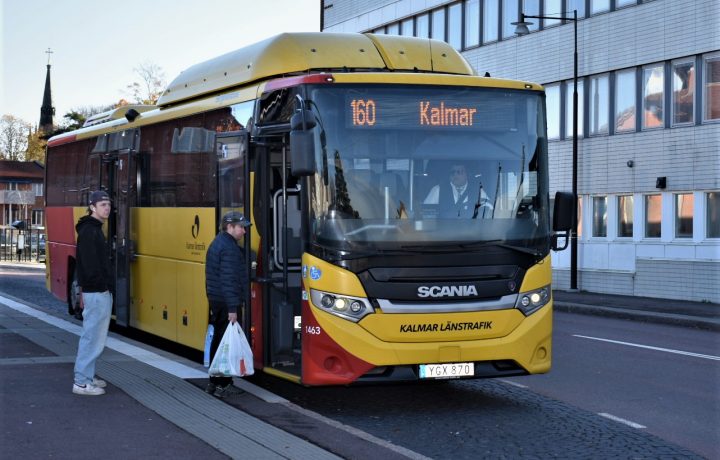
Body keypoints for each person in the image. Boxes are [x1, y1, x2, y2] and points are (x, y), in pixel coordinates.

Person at [205, 211, 250, 398]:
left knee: (219, 341)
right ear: (229, 227)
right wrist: (233, 308)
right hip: (226, 302)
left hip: (217, 299)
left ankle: (214, 382)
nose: (244, 232)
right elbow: (229, 280)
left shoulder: (219, 243)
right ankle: (223, 383)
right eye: (241, 227)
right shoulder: (229, 248)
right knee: (226, 344)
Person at [72, 190, 113, 396]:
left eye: (108, 204)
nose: (107, 208)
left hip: (97, 290)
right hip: (96, 292)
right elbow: (89, 264)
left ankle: (87, 375)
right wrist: (102, 285)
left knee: (95, 336)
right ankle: (81, 382)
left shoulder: (93, 228)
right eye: (103, 205)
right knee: (92, 337)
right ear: (92, 207)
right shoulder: (90, 231)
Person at [424, 163, 493, 218]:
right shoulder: (438, 190)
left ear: (466, 174)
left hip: (470, 232)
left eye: (459, 172)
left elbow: (489, 208)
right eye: (452, 172)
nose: (455, 175)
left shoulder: (477, 190)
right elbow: (426, 212)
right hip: (444, 232)